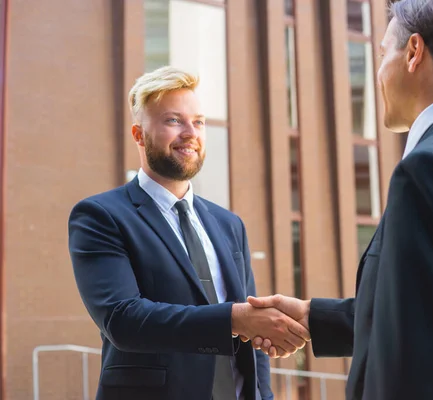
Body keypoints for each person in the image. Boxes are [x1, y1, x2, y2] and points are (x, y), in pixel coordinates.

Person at [247, 1, 433, 399]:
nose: (379, 72)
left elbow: (420, 368)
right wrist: (316, 318)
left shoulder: (430, 171)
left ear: (413, 52)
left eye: (383, 52)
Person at [68, 66, 310, 400]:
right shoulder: (101, 216)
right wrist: (235, 319)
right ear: (138, 134)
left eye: (198, 121)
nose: (190, 132)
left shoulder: (228, 225)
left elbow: (252, 338)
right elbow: (124, 321)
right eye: (173, 120)